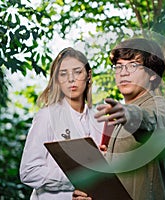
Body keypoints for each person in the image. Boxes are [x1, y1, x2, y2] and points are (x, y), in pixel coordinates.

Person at [73, 38, 165, 200]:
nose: (123, 72)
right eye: (119, 66)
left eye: (133, 66)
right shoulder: (118, 117)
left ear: (152, 74)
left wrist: (130, 115)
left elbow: (152, 123)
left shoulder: (160, 106)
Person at [20, 47, 103, 200]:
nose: (71, 79)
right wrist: (75, 178)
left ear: (88, 75)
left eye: (77, 72)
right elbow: (28, 172)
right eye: (63, 74)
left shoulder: (100, 120)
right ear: (57, 80)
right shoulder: (47, 116)